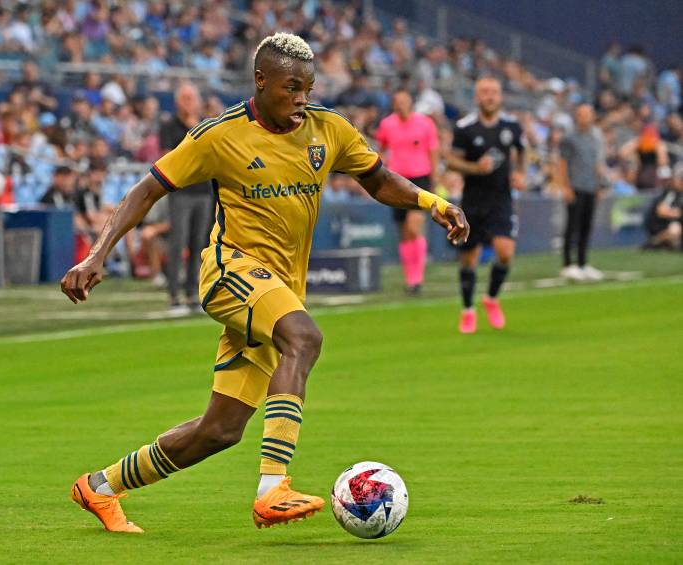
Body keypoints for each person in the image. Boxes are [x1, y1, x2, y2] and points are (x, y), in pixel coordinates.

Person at [61, 32, 468, 534]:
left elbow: (379, 179)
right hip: (229, 271)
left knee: (220, 430)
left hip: (279, 289)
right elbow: (147, 189)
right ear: (261, 80)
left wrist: (435, 203)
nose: (301, 98)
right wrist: (97, 254)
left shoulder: (328, 129)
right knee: (305, 337)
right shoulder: (220, 134)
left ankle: (99, 487)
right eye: (290, 87)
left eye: (308, 88)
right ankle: (273, 487)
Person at [446, 76, 526, 334]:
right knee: (469, 258)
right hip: (474, 200)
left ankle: (491, 298)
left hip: (502, 198)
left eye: (494, 91)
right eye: (485, 92)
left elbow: (522, 151)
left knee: (505, 252)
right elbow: (452, 162)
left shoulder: (512, 126)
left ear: (500, 96)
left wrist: (520, 173)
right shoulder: (465, 127)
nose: (490, 96)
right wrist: (474, 168)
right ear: (477, 97)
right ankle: (468, 310)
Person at [374, 88, 440, 294]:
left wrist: (434, 179)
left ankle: (417, 278)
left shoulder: (425, 123)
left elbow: (433, 151)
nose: (401, 105)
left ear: (410, 102)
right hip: (396, 180)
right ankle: (411, 280)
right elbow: (381, 147)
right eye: (397, 101)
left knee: (414, 227)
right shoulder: (387, 124)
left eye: (404, 101)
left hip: (420, 178)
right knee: (403, 232)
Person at [158, 82, 214, 310]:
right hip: (181, 191)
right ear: (177, 101)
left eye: (192, 98)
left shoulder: (205, 125)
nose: (189, 102)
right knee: (178, 242)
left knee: (198, 243)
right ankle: (173, 293)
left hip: (203, 190)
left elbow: (211, 154)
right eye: (185, 98)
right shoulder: (169, 126)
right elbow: (168, 158)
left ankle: (192, 292)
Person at [558, 104, 607, 282]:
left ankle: (582, 263)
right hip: (575, 186)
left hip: (591, 186)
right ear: (576, 116)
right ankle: (567, 264)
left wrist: (600, 185)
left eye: (588, 114)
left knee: (586, 226)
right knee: (572, 226)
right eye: (582, 114)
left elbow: (598, 163)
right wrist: (565, 186)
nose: (585, 118)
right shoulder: (569, 138)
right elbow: (562, 163)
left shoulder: (596, 137)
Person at [644, 163, 683, 250]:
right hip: (661, 225)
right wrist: (677, 214)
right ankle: (654, 242)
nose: (681, 182)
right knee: (675, 228)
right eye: (680, 179)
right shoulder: (670, 193)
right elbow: (661, 211)